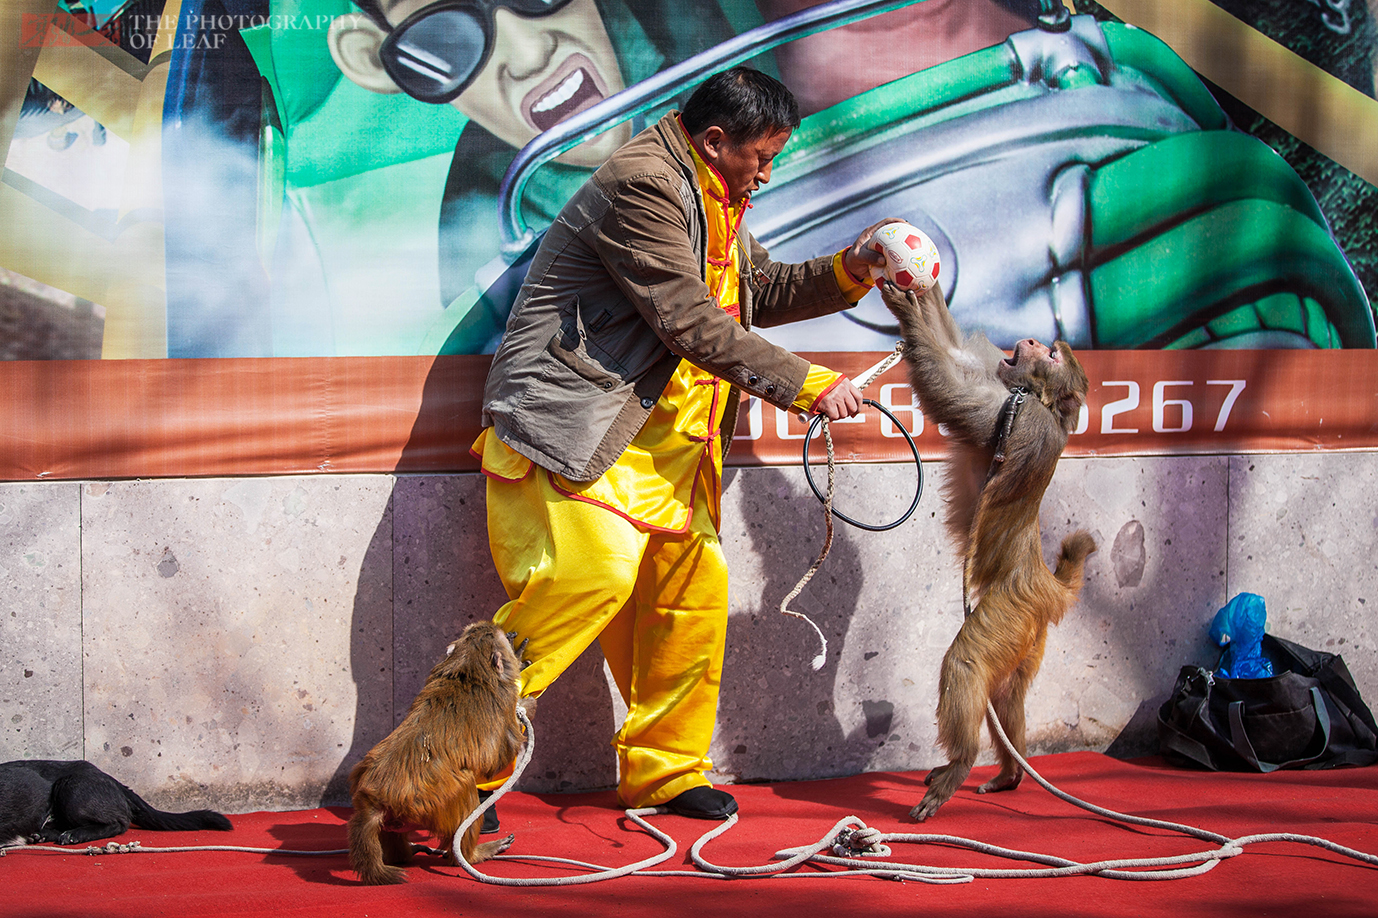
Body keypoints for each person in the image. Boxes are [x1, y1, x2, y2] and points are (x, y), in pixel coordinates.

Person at [471, 66, 893, 818]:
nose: (767, 173)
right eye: (761, 157)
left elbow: (753, 294)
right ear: (715, 139)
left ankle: (667, 773)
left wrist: (851, 270)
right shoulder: (646, 184)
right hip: (582, 434)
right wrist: (809, 385)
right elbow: (689, 322)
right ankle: (452, 762)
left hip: (672, 453)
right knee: (585, 581)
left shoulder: (715, 195)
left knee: (692, 602)